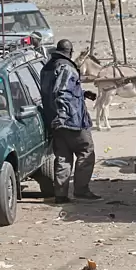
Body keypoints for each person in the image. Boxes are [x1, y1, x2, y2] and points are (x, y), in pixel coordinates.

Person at [40, 39, 100, 204]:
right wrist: (64, 116)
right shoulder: (67, 67)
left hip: (54, 121)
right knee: (86, 151)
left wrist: (82, 93)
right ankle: (81, 190)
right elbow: (62, 92)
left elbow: (56, 91)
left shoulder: (47, 68)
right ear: (70, 52)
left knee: (63, 156)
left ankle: (61, 194)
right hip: (71, 120)